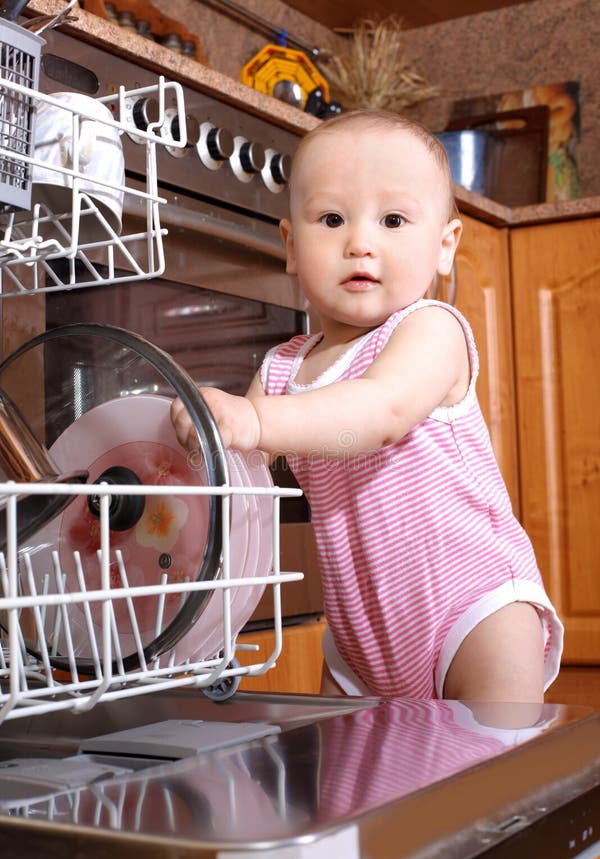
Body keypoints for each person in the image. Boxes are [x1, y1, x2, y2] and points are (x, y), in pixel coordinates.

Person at [171, 109, 563, 703]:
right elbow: (240, 481)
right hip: (360, 637)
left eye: (393, 220)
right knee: (347, 763)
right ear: (291, 246)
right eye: (332, 219)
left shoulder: (430, 330)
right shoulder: (280, 370)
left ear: (444, 246)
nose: (359, 243)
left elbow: (380, 413)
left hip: (475, 612)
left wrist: (252, 420)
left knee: (498, 759)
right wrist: (195, 443)